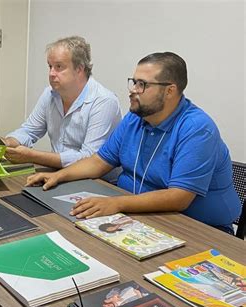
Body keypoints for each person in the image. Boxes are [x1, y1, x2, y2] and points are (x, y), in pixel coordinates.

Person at [26, 52, 241, 234]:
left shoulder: (197, 129)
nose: (133, 90)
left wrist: (116, 203)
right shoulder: (135, 118)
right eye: (134, 81)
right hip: (138, 216)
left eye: (142, 85)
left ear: (170, 91)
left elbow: (179, 197)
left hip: (197, 229)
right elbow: (99, 161)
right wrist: (58, 175)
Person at [4, 36, 122, 170]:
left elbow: (89, 158)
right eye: (50, 66)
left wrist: (33, 156)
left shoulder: (104, 101)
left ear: (79, 69)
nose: (51, 73)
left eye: (59, 67)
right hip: (60, 174)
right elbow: (29, 131)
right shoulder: (49, 94)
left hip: (97, 181)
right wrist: (9, 142)